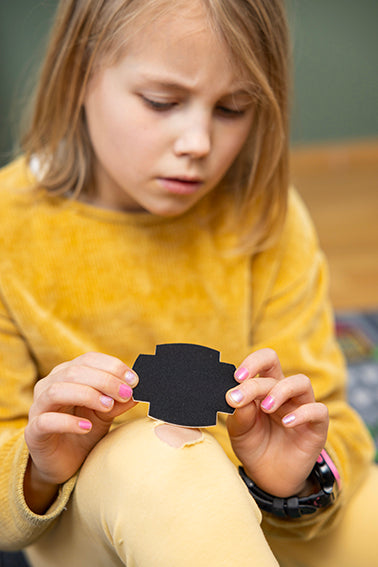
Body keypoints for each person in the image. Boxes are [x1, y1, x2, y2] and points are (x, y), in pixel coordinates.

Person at [0, 0, 376, 566]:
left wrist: (296, 481)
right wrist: (40, 464)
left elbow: (331, 418)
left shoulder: (266, 217)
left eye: (232, 108)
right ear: (80, 74)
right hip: (99, 532)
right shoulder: (10, 229)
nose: (198, 142)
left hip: (264, 519)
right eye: (162, 102)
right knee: (167, 453)